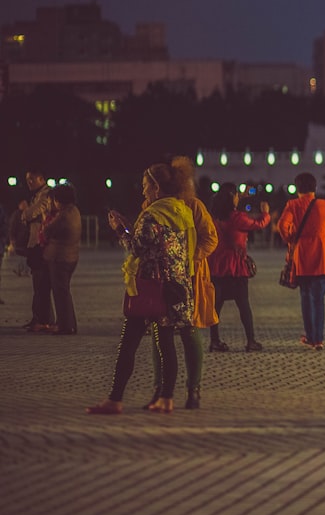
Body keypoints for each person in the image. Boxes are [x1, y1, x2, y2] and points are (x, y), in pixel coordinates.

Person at [88, 163, 195, 415]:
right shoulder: (182, 211)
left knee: (128, 342)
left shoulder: (152, 215)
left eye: (146, 185)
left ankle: (115, 399)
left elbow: (137, 248)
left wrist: (120, 230)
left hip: (150, 288)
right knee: (166, 344)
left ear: (156, 187)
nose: (143, 190)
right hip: (175, 287)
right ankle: (166, 398)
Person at [154, 155, 218, 410]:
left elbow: (210, 238)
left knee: (189, 332)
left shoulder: (193, 206)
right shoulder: (152, 207)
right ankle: (160, 389)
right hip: (160, 279)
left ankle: (194, 389)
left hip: (189, 278)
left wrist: (190, 258)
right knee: (160, 335)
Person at [277, 172, 325, 351]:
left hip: (303, 256)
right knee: (319, 298)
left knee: (305, 296)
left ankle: (311, 336)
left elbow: (281, 225)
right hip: (322, 256)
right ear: (315, 187)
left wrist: (290, 238)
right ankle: (319, 339)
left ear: (297, 188)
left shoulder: (293, 204)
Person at [207, 183, 271, 352]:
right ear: (231, 199)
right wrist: (266, 212)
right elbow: (258, 224)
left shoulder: (213, 217)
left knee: (216, 306)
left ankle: (214, 341)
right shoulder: (237, 218)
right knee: (243, 305)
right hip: (235, 267)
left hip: (216, 267)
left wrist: (236, 197)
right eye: (235, 195)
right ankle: (250, 341)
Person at [41, 183, 81, 335]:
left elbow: (47, 231)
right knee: (64, 292)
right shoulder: (74, 211)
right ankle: (68, 323)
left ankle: (65, 326)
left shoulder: (63, 215)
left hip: (60, 258)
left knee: (60, 293)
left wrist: (45, 217)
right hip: (70, 257)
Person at [19, 168, 53, 331]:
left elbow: (34, 212)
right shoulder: (36, 195)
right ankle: (38, 317)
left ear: (41, 178)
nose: (29, 183)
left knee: (41, 283)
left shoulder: (46, 194)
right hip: (35, 243)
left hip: (41, 244)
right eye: (27, 180)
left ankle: (43, 319)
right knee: (37, 283)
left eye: (32, 179)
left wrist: (25, 210)